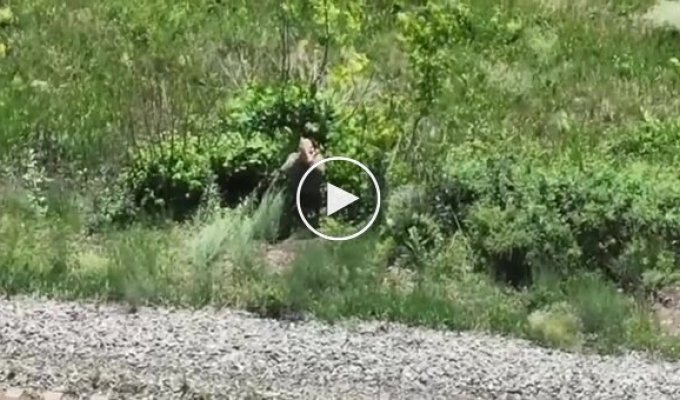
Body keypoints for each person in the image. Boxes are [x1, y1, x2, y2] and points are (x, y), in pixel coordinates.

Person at [277, 137, 325, 239]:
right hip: (295, 196)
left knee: (311, 227)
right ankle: (283, 235)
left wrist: (309, 160)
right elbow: (283, 170)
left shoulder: (318, 158)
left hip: (312, 197)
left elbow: (321, 170)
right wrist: (298, 160)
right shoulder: (293, 158)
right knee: (287, 217)